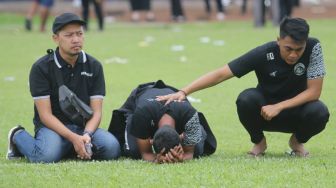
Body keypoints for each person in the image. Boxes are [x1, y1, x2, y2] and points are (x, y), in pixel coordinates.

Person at [157, 17, 330, 157]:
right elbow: (221, 73)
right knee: (246, 98)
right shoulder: (264, 53)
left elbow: (314, 92)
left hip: (295, 112)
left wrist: (279, 106)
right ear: (278, 41)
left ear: (305, 43)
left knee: (319, 111)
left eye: (299, 50)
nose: (293, 55)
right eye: (288, 49)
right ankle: (259, 142)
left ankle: (296, 141)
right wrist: (184, 91)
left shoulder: (313, 48)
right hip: (265, 114)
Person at [7, 13, 120, 163]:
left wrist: (87, 135)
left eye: (79, 34)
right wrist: (73, 138)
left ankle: (69, 146)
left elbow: (97, 112)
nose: (76, 39)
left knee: (112, 148)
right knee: (46, 156)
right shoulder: (41, 68)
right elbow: (45, 115)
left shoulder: (94, 66)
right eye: (69, 35)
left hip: (82, 127)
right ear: (56, 38)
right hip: (52, 127)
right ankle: (17, 136)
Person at [108, 80, 217, 163]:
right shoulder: (142, 113)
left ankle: (194, 131)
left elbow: (189, 153)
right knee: (134, 151)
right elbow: (146, 153)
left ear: (181, 136)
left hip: (173, 94)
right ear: (151, 139)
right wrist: (156, 158)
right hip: (144, 94)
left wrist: (181, 158)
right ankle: (135, 128)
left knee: (197, 149)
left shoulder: (189, 114)